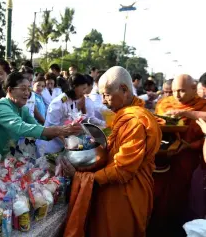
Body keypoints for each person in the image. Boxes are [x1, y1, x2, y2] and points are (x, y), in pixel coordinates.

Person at [60, 66, 162, 237]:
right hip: (117, 192)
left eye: (106, 95)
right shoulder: (127, 115)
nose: (104, 101)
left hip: (125, 196)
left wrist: (83, 178)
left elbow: (123, 169)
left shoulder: (135, 121)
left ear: (124, 89)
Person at [149, 74, 206, 237]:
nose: (177, 95)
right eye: (174, 91)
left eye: (181, 91)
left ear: (194, 89)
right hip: (165, 159)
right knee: (161, 197)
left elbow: (204, 138)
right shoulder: (165, 104)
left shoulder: (202, 106)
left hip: (190, 160)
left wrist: (188, 145)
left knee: (186, 198)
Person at [0, 72, 82, 156]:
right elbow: (21, 127)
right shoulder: (1, 106)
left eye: (29, 89)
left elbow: (37, 128)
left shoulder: (23, 109)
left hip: (7, 158)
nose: (27, 93)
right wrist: (60, 130)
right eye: (23, 89)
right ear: (10, 90)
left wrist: (64, 132)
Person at [40, 73, 89, 154]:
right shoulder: (58, 103)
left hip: (62, 145)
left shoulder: (72, 100)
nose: (84, 92)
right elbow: (51, 128)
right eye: (83, 89)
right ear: (74, 86)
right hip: (50, 147)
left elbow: (70, 119)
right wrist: (68, 143)